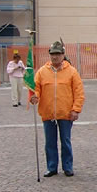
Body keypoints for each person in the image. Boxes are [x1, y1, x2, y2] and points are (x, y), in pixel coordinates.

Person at [30, 41, 85, 177]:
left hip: (66, 113)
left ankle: (68, 166)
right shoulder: (42, 72)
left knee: (65, 141)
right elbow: (36, 88)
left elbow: (79, 92)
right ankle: (52, 167)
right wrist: (34, 96)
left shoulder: (72, 72)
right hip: (48, 113)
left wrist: (76, 109)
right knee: (50, 142)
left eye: (58, 54)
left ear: (63, 55)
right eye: (53, 54)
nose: (55, 57)